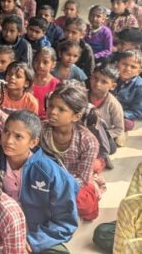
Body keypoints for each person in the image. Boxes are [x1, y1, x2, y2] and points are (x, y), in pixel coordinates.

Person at [0, 110, 79, 253]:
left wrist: (33, 241)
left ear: (33, 142)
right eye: (6, 132)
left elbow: (65, 222)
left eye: (18, 136)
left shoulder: (49, 173)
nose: (8, 140)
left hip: (34, 234)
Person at [40, 81, 106, 221]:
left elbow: (81, 179)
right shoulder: (42, 130)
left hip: (72, 181)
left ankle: (97, 166)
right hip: (48, 178)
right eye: (51, 106)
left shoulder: (88, 141)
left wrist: (57, 188)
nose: (52, 112)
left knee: (85, 205)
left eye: (61, 109)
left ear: (76, 116)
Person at [89, 63, 126, 147]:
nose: (97, 84)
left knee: (110, 148)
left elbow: (119, 129)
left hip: (102, 134)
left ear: (112, 86)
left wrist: (101, 135)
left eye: (104, 82)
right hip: (82, 132)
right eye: (95, 78)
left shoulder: (113, 104)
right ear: (91, 77)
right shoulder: (82, 96)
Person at [113, 50, 142, 122]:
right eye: (124, 64)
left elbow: (138, 112)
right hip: (104, 109)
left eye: (133, 67)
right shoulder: (111, 77)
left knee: (127, 123)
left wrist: (119, 114)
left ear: (139, 71)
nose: (127, 69)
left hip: (123, 115)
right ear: (117, 64)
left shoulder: (139, 86)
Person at [32, 47, 60, 119]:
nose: (40, 65)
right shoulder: (27, 80)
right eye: (37, 61)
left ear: (53, 64)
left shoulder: (56, 84)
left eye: (45, 62)